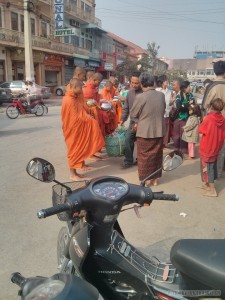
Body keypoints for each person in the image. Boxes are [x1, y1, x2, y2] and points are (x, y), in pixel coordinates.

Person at [61, 78, 105, 181]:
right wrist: (88, 119)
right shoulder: (69, 100)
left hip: (77, 128)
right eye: (80, 87)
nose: (82, 90)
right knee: (73, 151)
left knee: (78, 150)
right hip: (72, 130)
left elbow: (81, 110)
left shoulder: (74, 97)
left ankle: (75, 172)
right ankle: (72, 174)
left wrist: (88, 114)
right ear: (75, 87)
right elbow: (75, 118)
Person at [130, 72, 166, 186]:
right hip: (159, 130)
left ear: (142, 84)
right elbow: (163, 110)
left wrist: (137, 122)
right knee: (157, 156)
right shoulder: (161, 95)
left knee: (144, 157)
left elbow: (133, 114)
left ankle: (144, 180)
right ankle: (155, 179)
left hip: (144, 132)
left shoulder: (140, 97)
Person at [202, 60, 225, 178]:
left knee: (210, 151)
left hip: (213, 125)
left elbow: (205, 105)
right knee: (222, 151)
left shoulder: (211, 86)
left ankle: (210, 178)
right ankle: (219, 173)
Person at [198, 98, 225, 197]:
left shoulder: (209, 118)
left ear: (212, 107)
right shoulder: (222, 119)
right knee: (211, 165)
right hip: (216, 145)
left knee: (208, 167)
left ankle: (212, 190)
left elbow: (200, 130)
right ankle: (208, 185)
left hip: (208, 146)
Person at [120, 72, 142, 168]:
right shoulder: (129, 93)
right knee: (128, 139)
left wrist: (139, 122)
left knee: (141, 141)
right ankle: (128, 160)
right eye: (132, 82)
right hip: (133, 121)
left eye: (136, 83)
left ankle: (140, 160)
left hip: (143, 121)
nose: (134, 85)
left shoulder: (144, 93)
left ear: (141, 82)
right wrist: (122, 119)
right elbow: (126, 107)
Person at [172, 80, 195, 157]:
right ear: (185, 88)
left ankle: (183, 151)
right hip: (178, 118)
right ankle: (176, 151)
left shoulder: (191, 95)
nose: (190, 88)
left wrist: (184, 106)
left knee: (184, 135)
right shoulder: (179, 96)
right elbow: (179, 107)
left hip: (186, 119)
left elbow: (193, 106)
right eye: (189, 86)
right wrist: (188, 105)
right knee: (176, 136)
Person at [156, 75, 172, 147]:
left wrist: (172, 102)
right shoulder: (157, 91)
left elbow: (170, 103)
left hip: (167, 113)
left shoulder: (170, 92)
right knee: (158, 128)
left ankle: (164, 143)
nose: (167, 82)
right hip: (158, 113)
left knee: (166, 129)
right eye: (165, 80)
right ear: (162, 82)